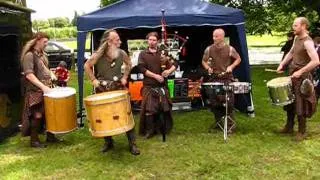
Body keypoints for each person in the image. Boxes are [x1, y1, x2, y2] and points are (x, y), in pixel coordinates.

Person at [84, 29, 140, 155]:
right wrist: (93, 80)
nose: (120, 42)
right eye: (117, 40)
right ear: (109, 42)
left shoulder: (121, 53)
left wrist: (125, 77)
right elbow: (86, 66)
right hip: (103, 88)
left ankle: (133, 144)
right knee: (104, 115)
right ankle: (108, 142)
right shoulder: (98, 55)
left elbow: (129, 64)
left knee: (126, 113)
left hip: (118, 86)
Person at [276, 17, 320, 141]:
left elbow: (316, 61)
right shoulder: (296, 38)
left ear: (304, 26)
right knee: (290, 102)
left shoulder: (308, 42)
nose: (293, 27)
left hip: (303, 77)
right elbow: (290, 53)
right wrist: (282, 64)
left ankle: (302, 131)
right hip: (292, 75)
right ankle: (289, 126)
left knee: (301, 104)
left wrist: (300, 71)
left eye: (295, 25)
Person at [21, 32, 62, 148]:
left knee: (49, 114)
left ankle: (50, 136)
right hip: (35, 91)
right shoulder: (29, 55)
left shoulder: (43, 55)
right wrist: (43, 87)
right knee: (37, 115)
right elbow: (29, 75)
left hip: (47, 89)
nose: (46, 44)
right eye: (44, 42)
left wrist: (51, 74)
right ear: (37, 41)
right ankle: (34, 141)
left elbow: (45, 69)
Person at [138, 32, 178, 139]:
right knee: (149, 110)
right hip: (149, 86)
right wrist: (156, 76)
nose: (152, 42)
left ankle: (162, 129)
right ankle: (150, 131)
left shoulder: (163, 53)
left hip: (162, 86)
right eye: (150, 40)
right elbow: (142, 69)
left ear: (157, 41)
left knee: (164, 108)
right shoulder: (143, 54)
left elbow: (175, 64)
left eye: (154, 40)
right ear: (147, 41)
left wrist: (168, 71)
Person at [201, 28, 241, 133]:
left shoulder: (230, 49)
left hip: (226, 78)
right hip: (214, 77)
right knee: (214, 102)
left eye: (216, 36)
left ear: (222, 37)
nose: (214, 38)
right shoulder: (209, 49)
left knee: (228, 102)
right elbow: (204, 61)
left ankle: (230, 125)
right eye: (213, 36)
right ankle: (219, 122)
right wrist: (207, 68)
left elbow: (238, 59)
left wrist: (231, 66)